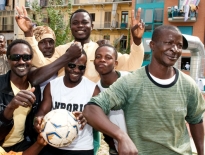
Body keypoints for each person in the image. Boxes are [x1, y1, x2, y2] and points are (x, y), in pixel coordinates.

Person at [83, 25, 205, 155]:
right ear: (152, 45)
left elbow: (196, 120)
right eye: (168, 43)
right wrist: (121, 136)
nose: (175, 49)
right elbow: (91, 109)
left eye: (179, 45)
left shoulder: (189, 85)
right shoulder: (131, 82)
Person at [15, 6, 145, 83]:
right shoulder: (61, 50)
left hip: (93, 114)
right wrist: (28, 34)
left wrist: (137, 41)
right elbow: (41, 64)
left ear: (92, 26)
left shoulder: (102, 52)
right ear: (70, 27)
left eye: (84, 22)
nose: (80, 26)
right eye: (75, 23)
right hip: (64, 114)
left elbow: (132, 65)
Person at [33, 47, 100, 155]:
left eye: (81, 67)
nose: (76, 70)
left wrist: (88, 117)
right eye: (72, 65)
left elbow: (100, 118)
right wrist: (38, 120)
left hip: (82, 147)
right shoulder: (52, 86)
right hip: (53, 144)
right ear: (65, 64)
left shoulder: (93, 89)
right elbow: (42, 112)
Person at [0, 39, 41, 152]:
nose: (21, 61)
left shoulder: (35, 89)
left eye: (26, 57)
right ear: (8, 59)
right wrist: (11, 106)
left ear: (31, 60)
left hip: (22, 146)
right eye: (16, 57)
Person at [94, 44, 130, 155]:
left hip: (142, 142)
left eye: (108, 57)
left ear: (116, 63)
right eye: (98, 57)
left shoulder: (129, 79)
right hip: (118, 146)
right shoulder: (95, 89)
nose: (102, 60)